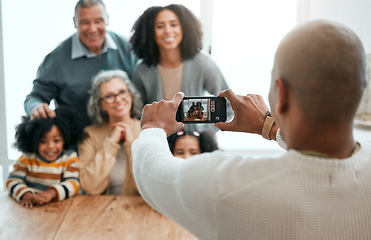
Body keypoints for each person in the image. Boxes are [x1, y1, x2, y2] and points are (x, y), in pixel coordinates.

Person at [131, 20, 371, 239]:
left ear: (281, 93)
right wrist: (269, 127)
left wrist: (154, 127)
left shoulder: (226, 185)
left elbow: (152, 174)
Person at [24, 0, 136, 128]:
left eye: (98, 21)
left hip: (128, 133)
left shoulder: (128, 48)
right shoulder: (56, 60)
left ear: (107, 19)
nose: (93, 29)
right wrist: (36, 107)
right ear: (75, 22)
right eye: (85, 22)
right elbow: (35, 98)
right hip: (79, 138)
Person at [130, 4, 231, 131]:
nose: (167, 31)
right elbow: (137, 114)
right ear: (149, 32)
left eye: (173, 24)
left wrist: (205, 136)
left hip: (196, 146)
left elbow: (229, 104)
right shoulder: (141, 70)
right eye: (160, 26)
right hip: (159, 144)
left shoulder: (202, 62)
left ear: (184, 28)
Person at [78, 70, 142, 195]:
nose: (118, 99)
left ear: (131, 95)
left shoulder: (146, 130)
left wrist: (130, 144)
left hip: (139, 208)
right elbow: (90, 187)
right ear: (101, 105)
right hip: (101, 209)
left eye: (122, 92)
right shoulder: (90, 134)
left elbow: (148, 187)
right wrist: (110, 143)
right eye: (109, 96)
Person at [6, 107, 84, 208]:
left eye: (56, 141)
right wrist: (25, 194)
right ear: (34, 141)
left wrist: (52, 193)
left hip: (60, 209)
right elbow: (12, 181)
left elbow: (73, 183)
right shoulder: (27, 158)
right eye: (43, 141)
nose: (50, 147)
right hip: (28, 209)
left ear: (64, 139)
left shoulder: (69, 158)